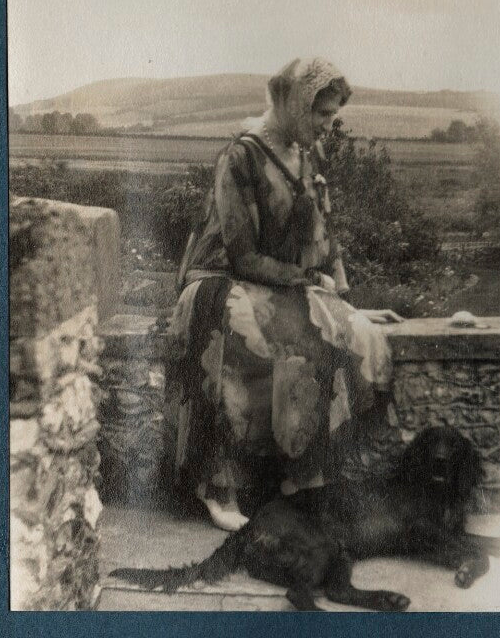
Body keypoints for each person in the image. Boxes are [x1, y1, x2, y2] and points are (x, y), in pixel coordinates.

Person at [166, 58, 402, 531]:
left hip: (282, 279)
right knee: (249, 329)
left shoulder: (307, 157)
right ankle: (219, 485)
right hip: (220, 279)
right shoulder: (241, 156)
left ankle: (305, 476)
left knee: (352, 333)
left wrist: (344, 300)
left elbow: (326, 241)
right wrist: (309, 284)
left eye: (333, 115)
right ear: (294, 102)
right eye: (320, 113)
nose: (327, 125)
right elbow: (242, 253)